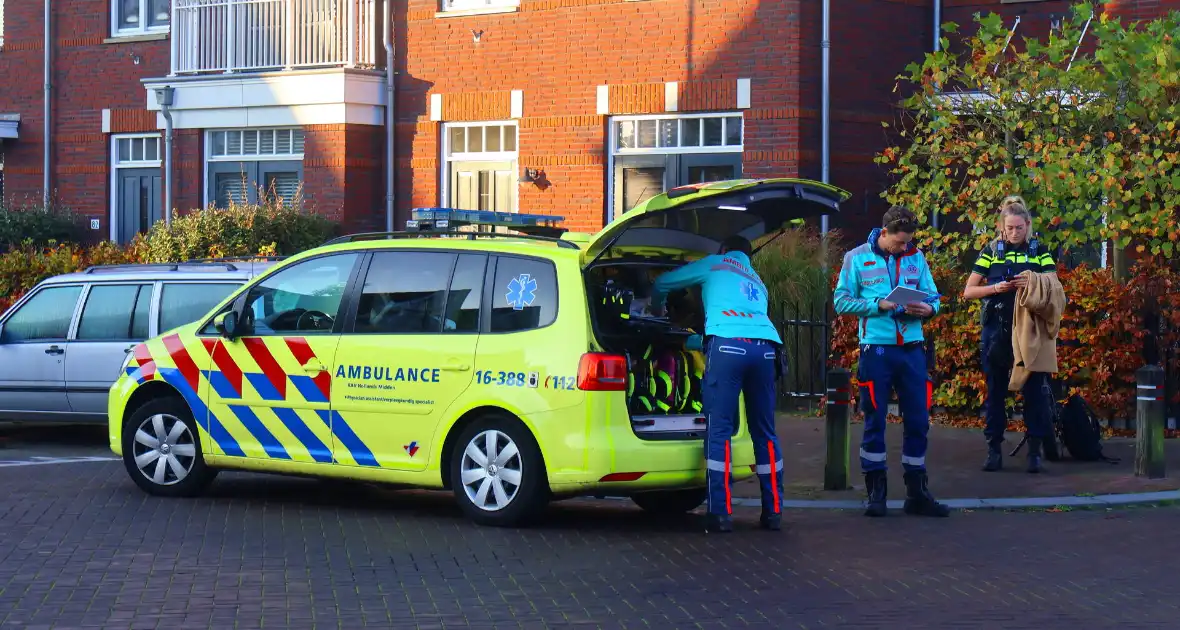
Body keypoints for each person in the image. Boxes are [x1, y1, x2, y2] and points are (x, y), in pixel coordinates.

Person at [650, 235, 784, 533]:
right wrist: (697, 340)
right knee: (765, 431)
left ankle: (720, 514)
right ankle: (773, 512)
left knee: (720, 428)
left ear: (724, 250)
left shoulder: (715, 264)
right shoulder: (757, 281)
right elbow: (745, 325)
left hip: (727, 349)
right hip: (766, 350)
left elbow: (662, 284)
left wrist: (656, 314)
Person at [833, 205, 950, 518]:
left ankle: (917, 493)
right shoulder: (855, 258)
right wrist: (879, 304)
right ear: (883, 233)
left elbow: (933, 296)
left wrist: (930, 310)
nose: (904, 248)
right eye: (899, 243)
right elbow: (841, 300)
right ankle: (876, 493)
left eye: (908, 243)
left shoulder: (916, 256)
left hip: (912, 349)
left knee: (918, 420)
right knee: (874, 420)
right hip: (877, 350)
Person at [962, 196, 1058, 474]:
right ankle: (994, 450)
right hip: (997, 332)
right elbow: (969, 291)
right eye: (1009, 228)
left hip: (1030, 332)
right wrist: (997, 288)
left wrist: (1032, 281)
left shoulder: (1040, 251)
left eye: (1019, 228)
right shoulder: (991, 251)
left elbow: (1055, 288)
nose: (1014, 233)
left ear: (1028, 225)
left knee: (1035, 393)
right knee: (995, 392)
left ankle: (1035, 453)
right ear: (1001, 227)